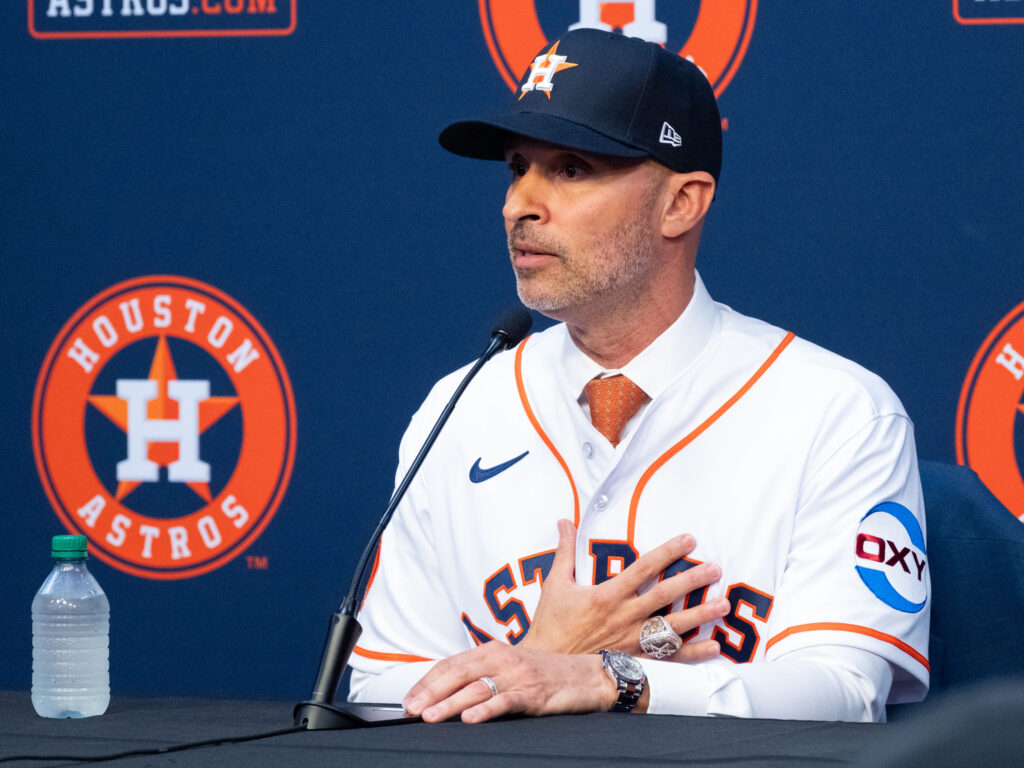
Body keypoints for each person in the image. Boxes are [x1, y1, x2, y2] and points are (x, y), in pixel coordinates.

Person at [347, 28, 929, 724]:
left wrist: (606, 677)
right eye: (516, 167)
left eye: (569, 169)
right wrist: (546, 654)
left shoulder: (835, 410)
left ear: (680, 203)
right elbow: (378, 696)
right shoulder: (460, 406)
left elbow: (844, 693)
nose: (517, 205)